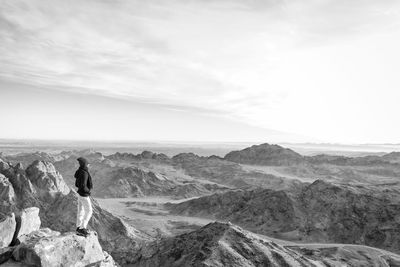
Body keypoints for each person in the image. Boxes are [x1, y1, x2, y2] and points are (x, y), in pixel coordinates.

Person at [74, 157, 93, 237]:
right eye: (88, 164)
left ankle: (78, 228)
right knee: (89, 211)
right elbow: (83, 185)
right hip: (84, 195)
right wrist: (88, 191)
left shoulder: (79, 172)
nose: (89, 165)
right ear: (85, 164)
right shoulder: (84, 173)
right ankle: (82, 228)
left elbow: (77, 184)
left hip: (80, 194)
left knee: (81, 211)